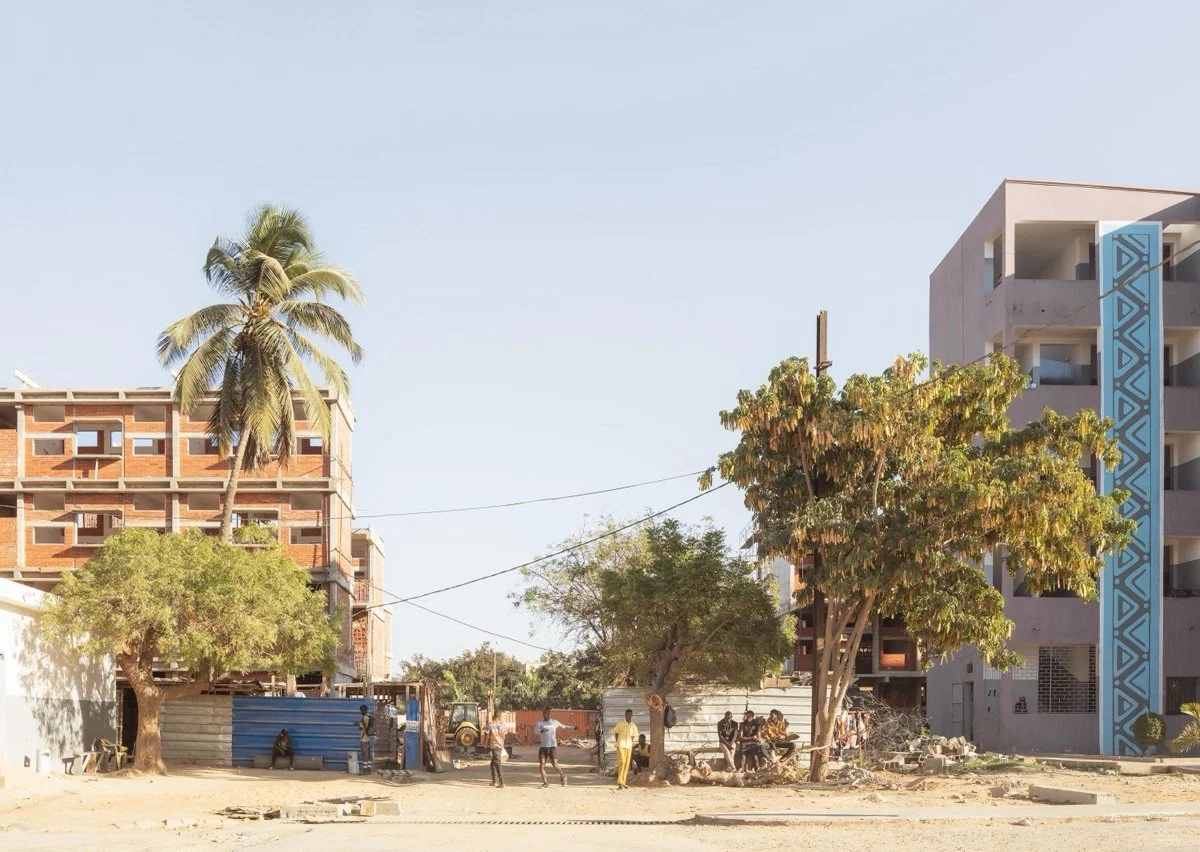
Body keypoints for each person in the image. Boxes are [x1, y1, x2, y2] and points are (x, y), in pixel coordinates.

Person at [532, 707, 574, 787]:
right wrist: (541, 731)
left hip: (552, 746)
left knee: (555, 764)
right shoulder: (540, 723)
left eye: (547, 713)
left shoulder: (554, 722)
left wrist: (573, 728)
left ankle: (563, 776)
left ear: (549, 714)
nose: (545, 715)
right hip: (543, 747)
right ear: (543, 714)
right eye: (544, 713)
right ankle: (545, 782)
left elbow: (564, 727)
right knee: (542, 765)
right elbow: (535, 731)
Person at [612, 708, 638, 788]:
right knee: (622, 762)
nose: (628, 716)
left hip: (628, 747)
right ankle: (620, 782)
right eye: (627, 714)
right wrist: (617, 742)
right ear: (625, 715)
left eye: (630, 715)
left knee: (627, 764)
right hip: (621, 746)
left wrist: (630, 743)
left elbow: (633, 736)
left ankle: (623, 782)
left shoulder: (633, 726)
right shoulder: (620, 723)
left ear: (632, 715)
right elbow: (616, 733)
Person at [484, 714, 507, 788]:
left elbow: (487, 735)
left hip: (494, 745)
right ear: (499, 716)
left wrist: (485, 743)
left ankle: (502, 782)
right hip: (499, 745)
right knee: (492, 764)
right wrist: (501, 742)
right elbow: (504, 736)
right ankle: (494, 781)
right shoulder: (502, 725)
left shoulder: (490, 724)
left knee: (497, 763)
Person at [357, 704, 376, 771]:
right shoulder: (369, 716)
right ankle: (369, 769)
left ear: (363, 710)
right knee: (369, 754)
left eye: (361, 710)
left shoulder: (364, 717)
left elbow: (361, 727)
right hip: (369, 738)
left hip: (364, 738)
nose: (360, 711)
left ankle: (365, 770)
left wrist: (358, 725)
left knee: (365, 754)